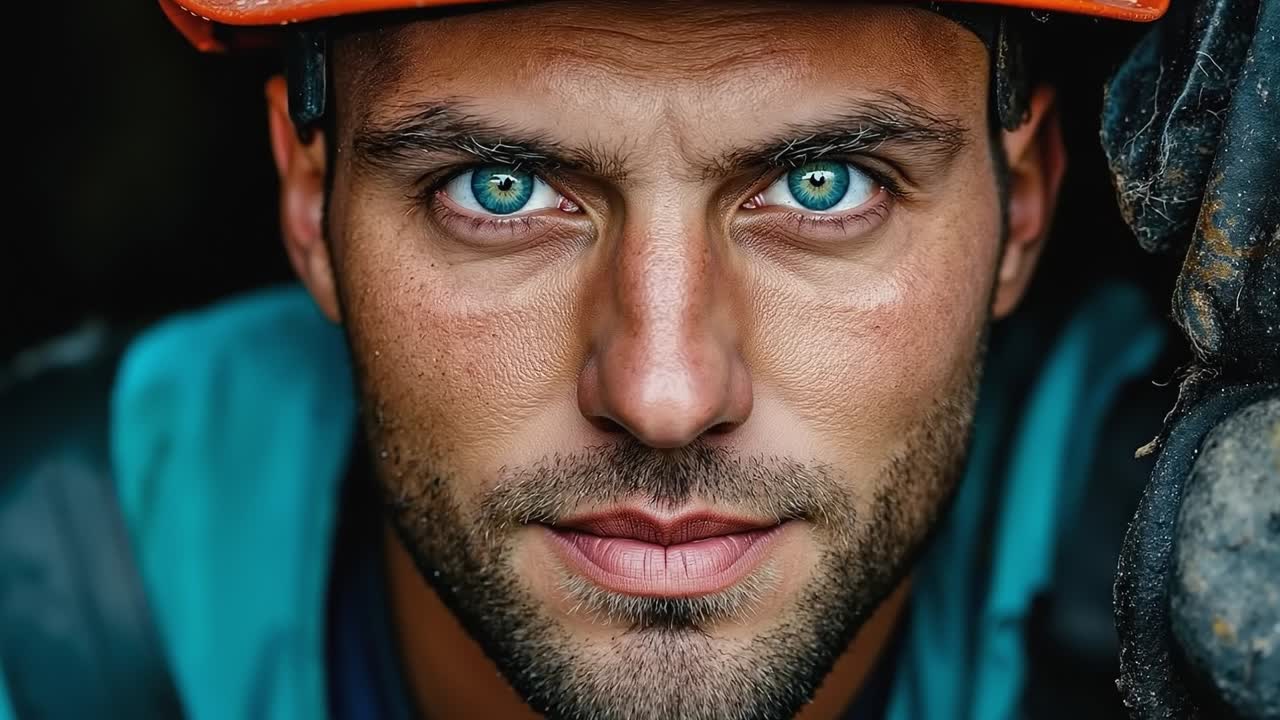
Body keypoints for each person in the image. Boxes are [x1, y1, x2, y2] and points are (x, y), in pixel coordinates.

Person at [0, 1, 1181, 719]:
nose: (662, 394)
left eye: (823, 186)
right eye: (495, 189)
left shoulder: (1168, 562)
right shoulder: (55, 596)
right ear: (310, 207)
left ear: (1020, 209)